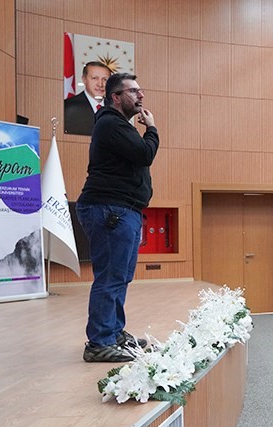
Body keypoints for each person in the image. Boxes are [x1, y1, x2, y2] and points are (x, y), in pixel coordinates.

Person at [76, 72, 159, 362]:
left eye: (140, 90)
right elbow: (145, 154)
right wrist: (151, 128)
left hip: (121, 209)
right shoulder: (111, 123)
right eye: (133, 91)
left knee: (119, 277)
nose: (140, 95)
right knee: (111, 277)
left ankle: (112, 333)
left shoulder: (118, 126)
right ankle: (99, 343)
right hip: (110, 209)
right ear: (115, 97)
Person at [64, 61, 111, 135]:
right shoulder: (68, 107)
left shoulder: (116, 109)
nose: (100, 84)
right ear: (84, 79)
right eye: (95, 78)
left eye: (105, 79)